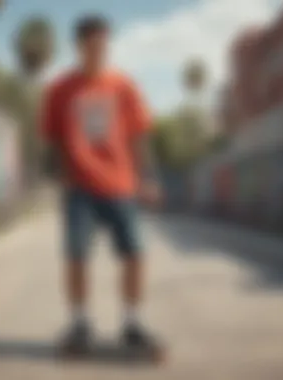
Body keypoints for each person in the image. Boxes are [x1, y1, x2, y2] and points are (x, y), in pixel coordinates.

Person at [41, 14, 161, 350]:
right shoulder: (59, 89)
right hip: (79, 187)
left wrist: (147, 177)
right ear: (79, 46)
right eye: (92, 44)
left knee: (136, 254)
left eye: (104, 44)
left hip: (121, 185)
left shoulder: (123, 85)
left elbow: (139, 136)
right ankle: (80, 324)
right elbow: (53, 137)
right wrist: (60, 175)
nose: (99, 50)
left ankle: (132, 323)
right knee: (76, 256)